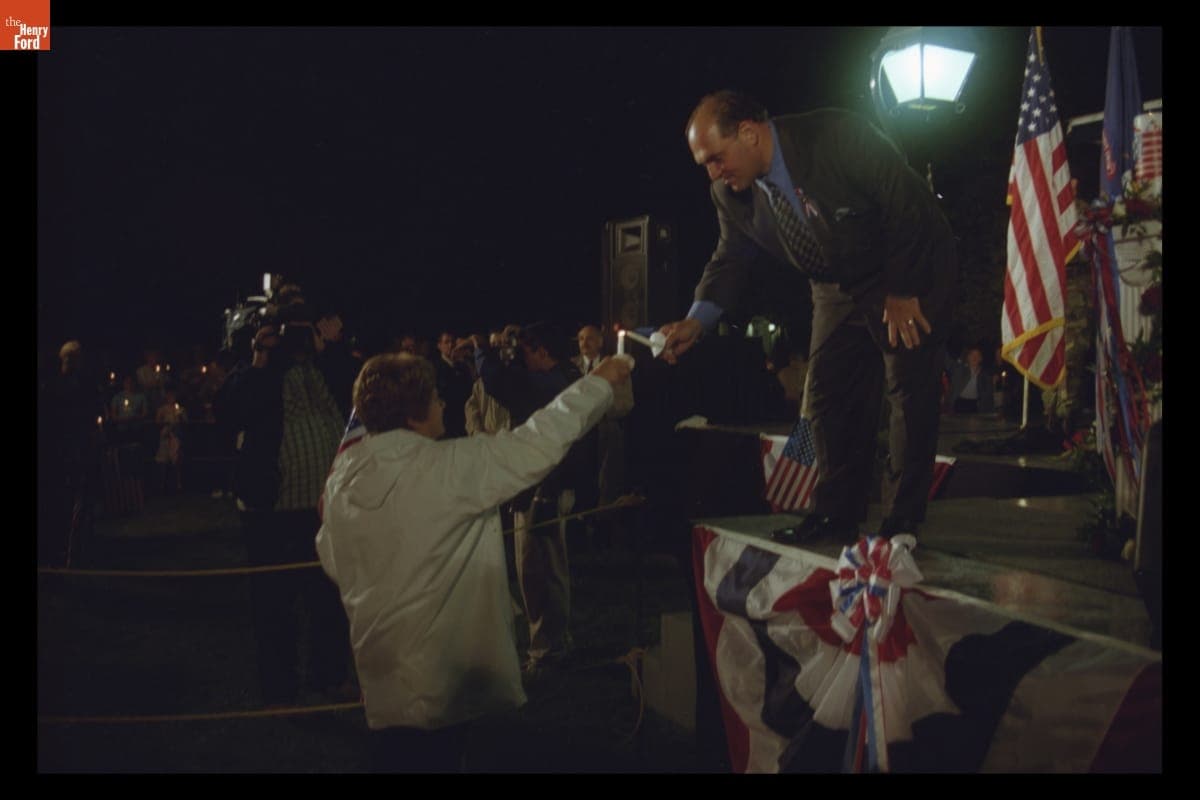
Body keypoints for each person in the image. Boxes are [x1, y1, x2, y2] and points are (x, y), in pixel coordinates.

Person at [659, 90, 957, 544]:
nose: (713, 173)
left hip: (904, 265)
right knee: (825, 395)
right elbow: (730, 258)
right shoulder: (728, 193)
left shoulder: (836, 135)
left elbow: (906, 204)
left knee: (907, 388)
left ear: (749, 133)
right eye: (705, 164)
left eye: (716, 158)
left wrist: (902, 290)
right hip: (834, 283)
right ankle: (836, 512)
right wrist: (697, 320)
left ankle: (902, 520)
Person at [315, 351, 630, 772]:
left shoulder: (342, 479)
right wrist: (600, 383)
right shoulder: (446, 470)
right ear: (414, 412)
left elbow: (333, 561)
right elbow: (539, 439)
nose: (444, 405)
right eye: (436, 398)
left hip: (381, 674)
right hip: (440, 681)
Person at [213, 299, 354, 707]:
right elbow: (229, 413)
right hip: (271, 511)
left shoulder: (327, 367)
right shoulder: (257, 373)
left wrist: (334, 347)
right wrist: (261, 356)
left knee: (328, 601)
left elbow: (358, 396)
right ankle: (281, 689)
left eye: (301, 328)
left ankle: (329, 678)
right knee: (274, 609)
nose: (296, 339)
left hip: (324, 508)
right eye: (287, 330)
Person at [475, 322, 589, 677]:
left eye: (526, 352)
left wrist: (484, 349)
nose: (522, 359)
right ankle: (556, 641)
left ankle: (546, 649)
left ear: (542, 352)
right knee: (547, 569)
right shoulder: (565, 376)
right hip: (548, 486)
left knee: (538, 571)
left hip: (545, 490)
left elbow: (500, 384)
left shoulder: (552, 383)